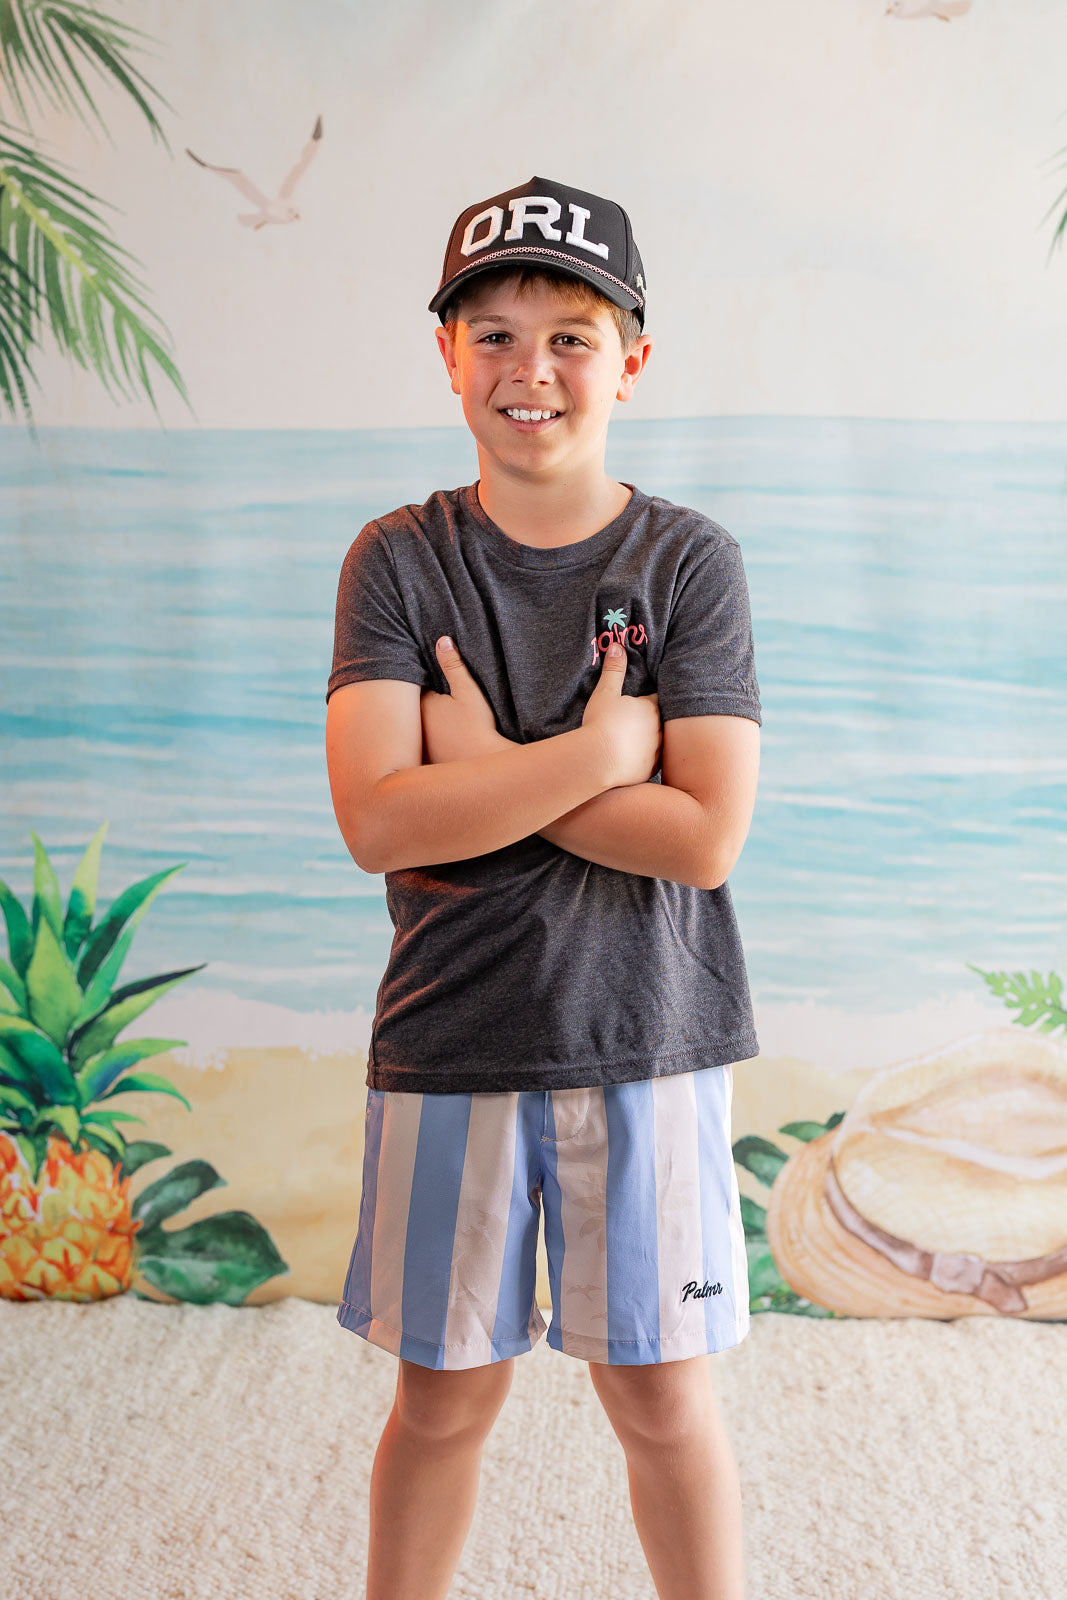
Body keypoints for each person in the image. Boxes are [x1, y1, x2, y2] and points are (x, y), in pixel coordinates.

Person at [325, 174, 762, 1600]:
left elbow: (704, 840)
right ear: (445, 355)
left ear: (631, 360)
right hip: (453, 1043)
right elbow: (380, 824)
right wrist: (590, 754)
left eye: (570, 336)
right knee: (443, 1401)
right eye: (494, 335)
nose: (531, 370)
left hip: (649, 1040)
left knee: (660, 1398)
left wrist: (493, 770)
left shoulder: (686, 560)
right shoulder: (400, 559)